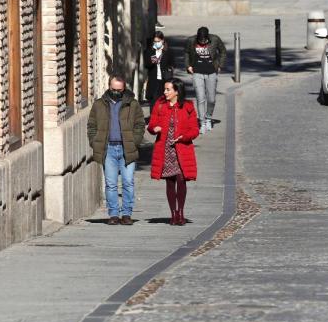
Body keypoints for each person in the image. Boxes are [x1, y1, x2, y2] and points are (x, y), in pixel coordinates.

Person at [87, 75, 146, 225]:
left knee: (128, 182)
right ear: (109, 87)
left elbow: (140, 124)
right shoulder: (99, 105)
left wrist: (135, 142)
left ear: (124, 88)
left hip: (127, 148)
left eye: (119, 90)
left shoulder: (132, 104)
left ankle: (126, 213)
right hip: (108, 149)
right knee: (111, 183)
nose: (116, 92)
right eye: (114, 89)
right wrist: (95, 143)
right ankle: (113, 214)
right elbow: (91, 126)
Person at [147, 78, 200, 225]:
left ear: (177, 91)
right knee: (170, 182)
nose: (165, 92)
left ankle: (181, 212)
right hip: (165, 149)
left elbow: (195, 129)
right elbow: (151, 124)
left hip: (182, 149)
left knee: (181, 181)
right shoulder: (160, 104)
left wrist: (185, 137)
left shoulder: (188, 106)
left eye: (168, 89)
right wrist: (154, 129)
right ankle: (173, 214)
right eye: (164, 89)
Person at [185, 26, 226, 134]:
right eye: (200, 41)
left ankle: (208, 118)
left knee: (211, 99)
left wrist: (219, 65)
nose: (203, 42)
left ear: (208, 37)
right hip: (197, 72)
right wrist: (188, 66)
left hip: (211, 72)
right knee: (200, 97)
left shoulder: (215, 39)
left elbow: (223, 51)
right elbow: (186, 53)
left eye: (205, 40)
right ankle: (202, 123)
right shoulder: (191, 41)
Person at [144, 31, 175, 105]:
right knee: (154, 101)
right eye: (155, 41)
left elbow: (173, 64)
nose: (157, 43)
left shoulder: (168, 51)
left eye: (158, 41)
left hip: (164, 80)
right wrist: (154, 60)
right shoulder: (149, 51)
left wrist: (169, 69)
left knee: (164, 101)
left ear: (162, 40)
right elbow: (146, 65)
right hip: (153, 80)